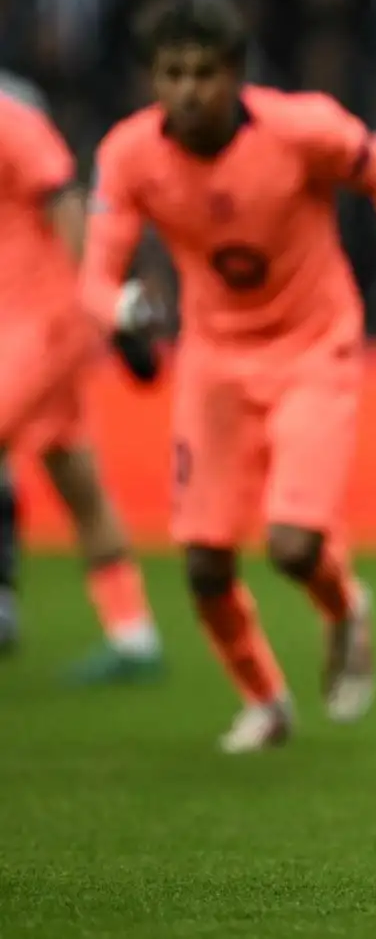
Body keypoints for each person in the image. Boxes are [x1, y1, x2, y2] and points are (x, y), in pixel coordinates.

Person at [80, 0, 376, 752]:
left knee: (291, 546)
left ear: (237, 76)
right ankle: (267, 703)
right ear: (153, 79)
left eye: (205, 73)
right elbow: (94, 272)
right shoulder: (128, 154)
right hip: (214, 360)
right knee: (204, 564)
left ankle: (345, 605)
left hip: (314, 348)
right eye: (173, 74)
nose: (189, 91)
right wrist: (122, 308)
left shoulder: (298, 128)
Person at [0, 71, 163, 678]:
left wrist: (98, 308)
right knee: (75, 476)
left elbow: (68, 207)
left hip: (43, 322)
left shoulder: (13, 121)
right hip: (21, 323)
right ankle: (133, 637)